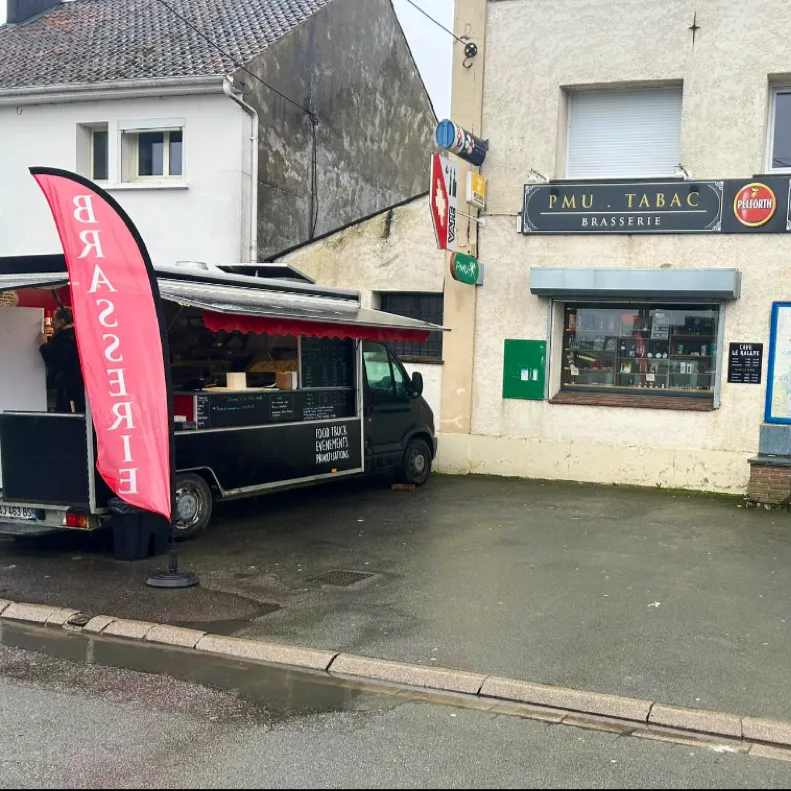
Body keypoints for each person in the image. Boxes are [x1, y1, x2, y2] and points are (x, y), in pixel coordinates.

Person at [38, 308, 85, 413]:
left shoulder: (65, 338)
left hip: (68, 385)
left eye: (54, 319)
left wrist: (44, 345)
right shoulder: (76, 334)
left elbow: (55, 359)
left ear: (62, 321)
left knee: (68, 413)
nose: (52, 323)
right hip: (76, 383)